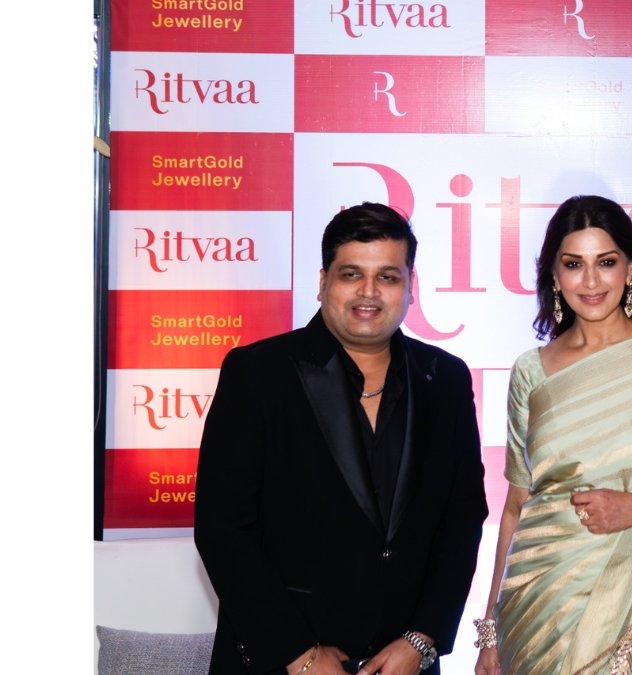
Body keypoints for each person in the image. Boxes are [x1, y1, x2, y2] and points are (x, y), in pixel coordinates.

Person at [194, 202, 488, 675]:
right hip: (281, 662)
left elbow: (462, 519)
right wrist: (299, 655)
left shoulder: (445, 379)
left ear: (410, 286)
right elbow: (223, 528)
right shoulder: (259, 373)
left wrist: (422, 639)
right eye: (351, 274)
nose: (368, 292)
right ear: (323, 282)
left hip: (404, 663)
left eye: (387, 276)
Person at [472, 195, 632, 674]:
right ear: (554, 276)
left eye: (606, 262)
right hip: (537, 605)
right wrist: (490, 631)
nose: (591, 281)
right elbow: (515, 506)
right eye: (574, 264)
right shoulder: (531, 371)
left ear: (630, 269)